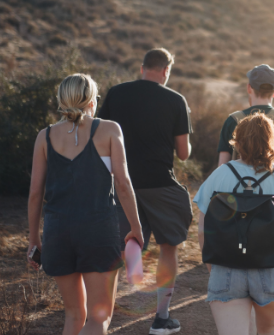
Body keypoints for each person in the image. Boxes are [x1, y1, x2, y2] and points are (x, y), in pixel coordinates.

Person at [27, 74, 144, 335]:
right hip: (98, 231)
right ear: (92, 100)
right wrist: (136, 228)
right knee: (98, 318)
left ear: (61, 100)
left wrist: (34, 238)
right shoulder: (110, 129)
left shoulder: (44, 137)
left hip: (57, 233)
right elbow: (123, 185)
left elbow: (35, 193)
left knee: (73, 315)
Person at [98, 48, 193, 334]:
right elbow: (184, 153)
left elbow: (101, 137)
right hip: (159, 184)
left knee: (130, 234)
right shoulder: (176, 99)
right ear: (166, 70)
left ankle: (102, 315)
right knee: (169, 245)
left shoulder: (116, 93)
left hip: (122, 183)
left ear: (142, 68)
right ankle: (161, 319)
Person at [216, 64, 274, 335]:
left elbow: (221, 168)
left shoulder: (232, 119)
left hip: (236, 213)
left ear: (249, 88)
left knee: (240, 275)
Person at [194, 113, 274, 335]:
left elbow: (202, 230)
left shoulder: (220, 174)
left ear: (238, 142)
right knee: (269, 329)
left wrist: (212, 265)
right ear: (272, 141)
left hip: (227, 265)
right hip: (271, 267)